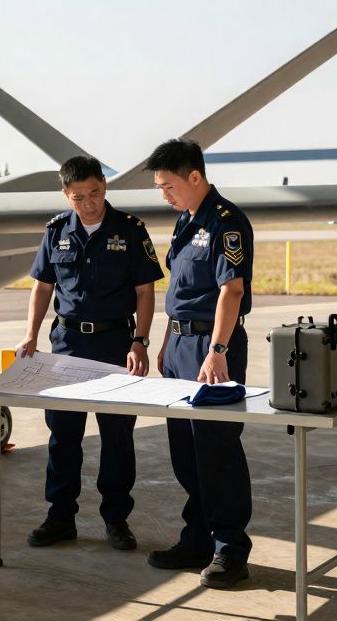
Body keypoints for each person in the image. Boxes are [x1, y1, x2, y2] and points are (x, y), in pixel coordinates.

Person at [15, 154, 163, 550]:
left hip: (115, 345)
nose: (88, 202)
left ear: (104, 186)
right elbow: (43, 286)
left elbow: (145, 291)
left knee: (117, 436)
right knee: (63, 437)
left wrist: (141, 341)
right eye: (78, 196)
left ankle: (116, 520)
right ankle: (60, 518)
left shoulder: (130, 230)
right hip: (65, 346)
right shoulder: (56, 231)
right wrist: (30, 334)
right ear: (66, 195)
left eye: (94, 192)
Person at [143, 138, 254, 589]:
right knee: (185, 451)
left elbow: (232, 291)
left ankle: (230, 548)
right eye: (159, 187)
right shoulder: (186, 221)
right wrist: (168, 342)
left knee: (216, 449)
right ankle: (197, 538)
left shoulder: (227, 223)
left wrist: (218, 350)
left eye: (169, 185)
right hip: (180, 346)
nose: (164, 195)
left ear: (194, 177)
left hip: (214, 348)